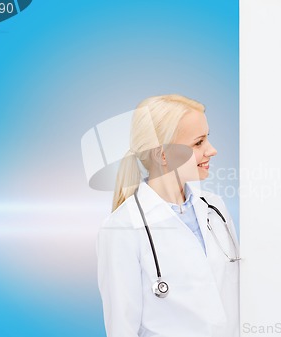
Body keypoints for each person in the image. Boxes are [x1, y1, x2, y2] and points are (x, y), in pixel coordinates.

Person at [96, 94, 240, 337]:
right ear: (163, 155)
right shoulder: (122, 228)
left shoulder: (215, 209)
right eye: (198, 143)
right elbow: (122, 328)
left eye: (208, 139)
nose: (212, 150)